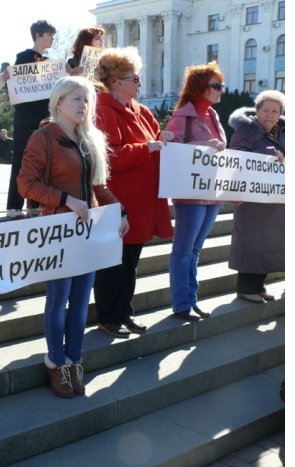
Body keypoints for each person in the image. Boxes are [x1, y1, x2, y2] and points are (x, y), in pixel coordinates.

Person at [18, 76, 129, 398]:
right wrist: (65, 200)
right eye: (76, 99)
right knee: (59, 297)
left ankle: (74, 359)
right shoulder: (43, 138)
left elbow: (98, 185)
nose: (83, 105)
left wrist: (119, 211)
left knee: (81, 299)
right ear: (58, 103)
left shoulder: (89, 138)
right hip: (58, 230)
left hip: (88, 230)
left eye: (86, 99)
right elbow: (25, 185)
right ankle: (56, 363)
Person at [92, 47, 174, 338]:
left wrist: (163, 138)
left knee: (132, 262)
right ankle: (108, 316)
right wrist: (146, 148)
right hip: (119, 199)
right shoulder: (102, 110)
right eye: (133, 77)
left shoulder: (141, 110)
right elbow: (108, 157)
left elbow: (154, 141)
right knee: (114, 262)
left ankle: (125, 312)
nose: (139, 82)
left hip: (142, 199)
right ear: (116, 82)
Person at [164, 62, 227, 321]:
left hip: (211, 191)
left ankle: (191, 299)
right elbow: (171, 148)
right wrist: (205, 144)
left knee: (196, 248)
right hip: (190, 193)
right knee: (184, 249)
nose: (221, 90)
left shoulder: (213, 115)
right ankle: (181, 304)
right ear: (199, 87)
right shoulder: (182, 116)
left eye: (221, 85)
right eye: (216, 85)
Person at [227, 90, 285, 303]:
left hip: (274, 199)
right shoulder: (245, 132)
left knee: (268, 243)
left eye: (275, 111)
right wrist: (270, 155)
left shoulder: (282, 132)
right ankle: (245, 288)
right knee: (251, 242)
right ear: (257, 111)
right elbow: (236, 158)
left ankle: (259, 286)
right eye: (266, 110)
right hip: (251, 198)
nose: (270, 115)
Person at [5, 19, 57, 219]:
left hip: (45, 117)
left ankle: (35, 203)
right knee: (20, 159)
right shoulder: (24, 57)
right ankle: (14, 205)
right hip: (25, 117)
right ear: (38, 35)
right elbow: (16, 85)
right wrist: (11, 79)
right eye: (49, 34)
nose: (52, 38)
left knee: (41, 161)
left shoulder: (50, 64)